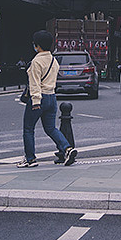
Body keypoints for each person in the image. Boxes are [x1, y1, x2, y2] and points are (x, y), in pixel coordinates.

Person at [19, 30, 75, 168]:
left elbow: (34, 84)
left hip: (39, 98)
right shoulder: (53, 60)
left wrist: (36, 101)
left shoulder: (36, 62)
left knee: (28, 129)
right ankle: (67, 148)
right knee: (51, 128)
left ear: (37, 45)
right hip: (52, 97)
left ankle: (30, 159)